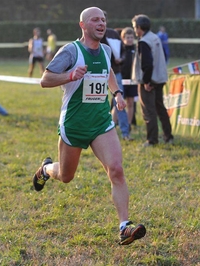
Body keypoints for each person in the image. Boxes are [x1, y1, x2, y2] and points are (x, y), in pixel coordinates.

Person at [35, 7, 146, 246]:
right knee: (66, 176)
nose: (101, 22)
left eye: (104, 19)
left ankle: (124, 226)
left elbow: (109, 74)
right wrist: (70, 75)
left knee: (116, 169)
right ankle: (45, 170)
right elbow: (45, 80)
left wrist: (116, 93)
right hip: (74, 124)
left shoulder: (105, 50)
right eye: (95, 19)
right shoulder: (70, 51)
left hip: (100, 123)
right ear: (83, 25)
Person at [131, 14, 174, 147]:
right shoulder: (155, 37)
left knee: (149, 111)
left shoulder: (144, 41)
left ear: (139, 28)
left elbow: (147, 64)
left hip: (149, 81)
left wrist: (146, 82)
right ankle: (168, 136)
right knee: (160, 108)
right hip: (160, 78)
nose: (134, 30)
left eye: (134, 27)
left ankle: (152, 140)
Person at [100, 11, 131, 141]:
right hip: (98, 74)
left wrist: (121, 59)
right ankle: (99, 133)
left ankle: (125, 133)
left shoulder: (113, 34)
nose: (100, 23)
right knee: (98, 104)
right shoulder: (92, 35)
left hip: (116, 72)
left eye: (103, 20)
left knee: (120, 103)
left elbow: (123, 51)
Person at [120, 27, 138, 130]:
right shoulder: (120, 49)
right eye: (128, 37)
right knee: (118, 104)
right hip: (121, 80)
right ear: (123, 38)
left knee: (130, 103)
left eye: (131, 37)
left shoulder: (136, 50)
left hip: (132, 80)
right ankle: (113, 124)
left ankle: (129, 124)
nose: (130, 39)